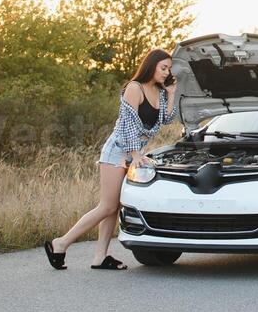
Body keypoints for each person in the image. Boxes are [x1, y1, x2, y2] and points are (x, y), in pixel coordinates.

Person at [43, 49, 176, 270]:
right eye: (163, 68)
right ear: (151, 66)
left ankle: (100, 257)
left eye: (169, 69)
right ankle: (61, 242)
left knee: (114, 207)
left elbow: (168, 119)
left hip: (134, 153)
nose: (166, 72)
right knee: (107, 206)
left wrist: (171, 93)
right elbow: (127, 124)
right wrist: (134, 155)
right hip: (118, 151)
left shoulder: (160, 91)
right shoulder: (134, 88)